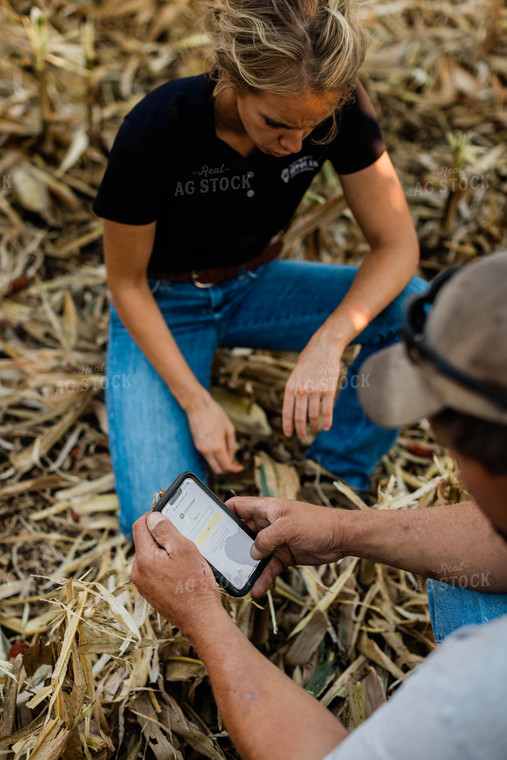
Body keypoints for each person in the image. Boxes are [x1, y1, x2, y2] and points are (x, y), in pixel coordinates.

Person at [131, 251, 507, 759]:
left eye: (456, 452)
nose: (457, 472)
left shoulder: (478, 682)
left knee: (468, 590)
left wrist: (203, 618)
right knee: (462, 573)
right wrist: (340, 529)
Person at [93, 0, 426, 539]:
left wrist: (330, 339)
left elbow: (396, 244)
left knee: (419, 310)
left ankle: (333, 475)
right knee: (161, 524)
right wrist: (197, 404)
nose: (295, 145)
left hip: (256, 286)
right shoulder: (156, 129)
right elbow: (125, 285)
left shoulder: (334, 103)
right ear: (232, 76)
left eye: (312, 127)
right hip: (165, 302)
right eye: (276, 123)